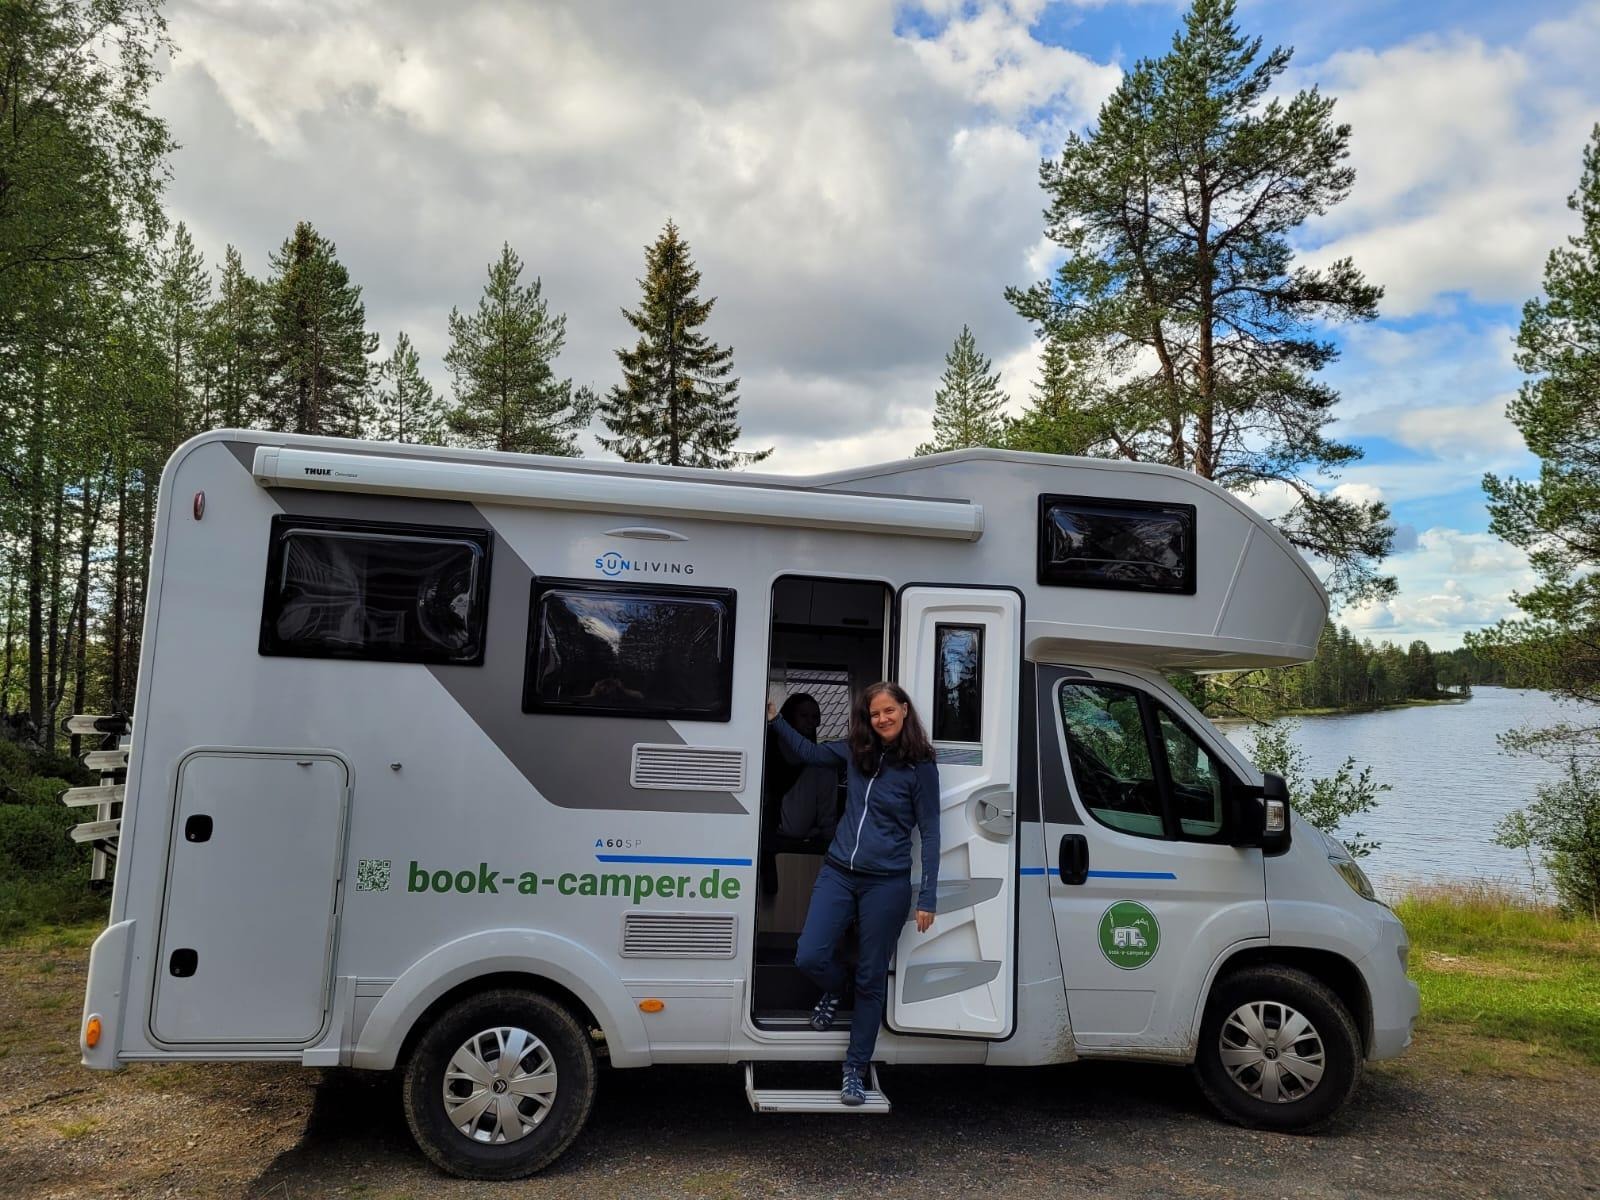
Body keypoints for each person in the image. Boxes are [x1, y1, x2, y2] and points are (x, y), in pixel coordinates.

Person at [766, 682, 940, 1106]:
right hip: (839, 872)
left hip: (888, 883)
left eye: (888, 711)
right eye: (874, 713)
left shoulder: (920, 767)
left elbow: (931, 833)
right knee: (809, 953)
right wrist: (774, 721)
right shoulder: (854, 750)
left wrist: (927, 897)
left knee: (871, 976)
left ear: (903, 710)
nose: (881, 719)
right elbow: (808, 754)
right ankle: (832, 984)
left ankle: (854, 1071)